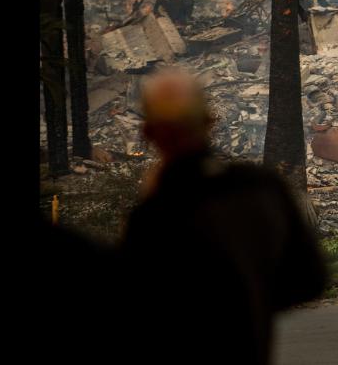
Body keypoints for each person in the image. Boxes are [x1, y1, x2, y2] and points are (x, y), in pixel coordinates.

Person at [122, 69, 324, 365]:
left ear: (149, 133)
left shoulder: (152, 217)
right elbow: (309, 280)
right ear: (209, 122)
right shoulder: (261, 188)